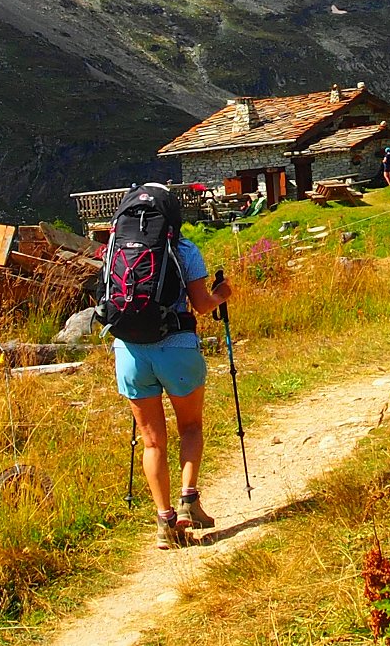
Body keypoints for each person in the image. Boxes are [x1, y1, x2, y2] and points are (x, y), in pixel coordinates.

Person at [111, 183, 233, 548]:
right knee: (191, 426)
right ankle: (188, 501)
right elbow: (201, 305)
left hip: (130, 352)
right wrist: (221, 295)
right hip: (177, 346)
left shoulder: (113, 250)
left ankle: (164, 523)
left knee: (152, 442)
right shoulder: (183, 249)